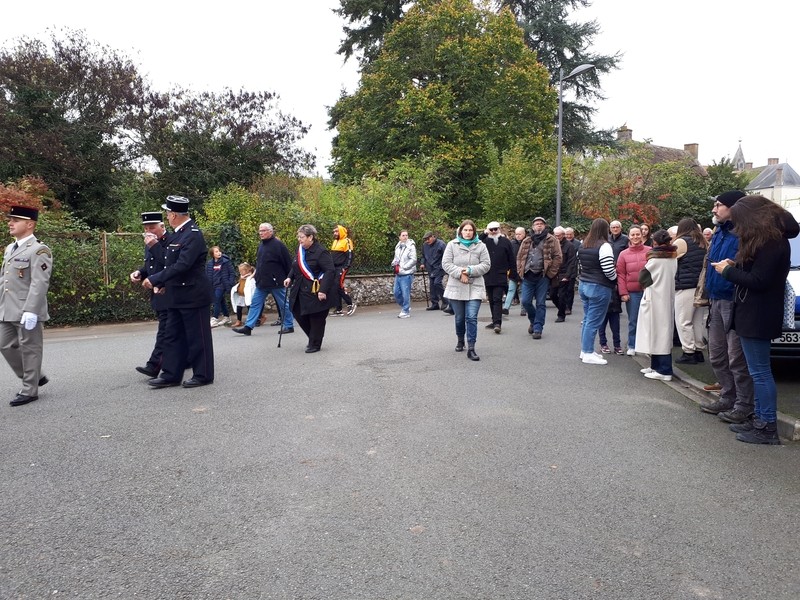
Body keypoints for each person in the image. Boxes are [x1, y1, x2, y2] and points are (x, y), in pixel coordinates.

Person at [711, 195, 799, 444]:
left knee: (760, 372)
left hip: (759, 314)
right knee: (757, 371)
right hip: (753, 312)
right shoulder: (767, 240)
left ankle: (767, 427)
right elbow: (756, 272)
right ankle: (760, 419)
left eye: (740, 221)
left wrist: (728, 271)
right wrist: (735, 263)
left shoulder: (773, 242)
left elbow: (760, 281)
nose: (738, 227)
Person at [143, 196, 214, 388]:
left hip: (193, 294)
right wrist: (162, 281)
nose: (167, 216)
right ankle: (171, 374)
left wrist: (156, 279)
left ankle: (203, 374)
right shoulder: (177, 234)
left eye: (167, 213)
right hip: (175, 293)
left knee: (197, 337)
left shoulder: (193, 234)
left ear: (174, 215)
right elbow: (168, 260)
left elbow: (183, 265)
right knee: (173, 335)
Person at [699, 190, 754, 421]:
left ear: (734, 207)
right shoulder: (720, 232)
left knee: (736, 357)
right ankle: (727, 396)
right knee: (717, 354)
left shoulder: (744, 233)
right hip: (716, 299)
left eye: (719, 205)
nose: (714, 209)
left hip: (734, 300)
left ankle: (744, 404)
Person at [0, 205, 52, 406]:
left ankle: (30, 390)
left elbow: (39, 283)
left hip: (27, 309)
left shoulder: (39, 250)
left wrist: (31, 311)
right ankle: (35, 375)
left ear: (29, 224)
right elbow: (6, 280)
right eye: (10, 219)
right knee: (4, 344)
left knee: (30, 348)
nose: (10, 223)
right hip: (7, 308)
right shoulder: (10, 248)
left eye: (16, 220)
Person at [233, 223, 294, 336]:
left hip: (276, 282)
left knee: (283, 304)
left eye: (264, 230)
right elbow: (260, 263)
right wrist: (256, 276)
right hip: (262, 282)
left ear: (271, 231)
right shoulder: (261, 245)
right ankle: (248, 327)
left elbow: (288, 263)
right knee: (255, 304)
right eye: (260, 230)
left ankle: (289, 325)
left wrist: (289, 278)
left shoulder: (278, 245)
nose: (261, 233)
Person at [442, 220, 491, 361]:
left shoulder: (481, 246)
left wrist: (469, 270)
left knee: (471, 317)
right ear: (460, 231)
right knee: (459, 318)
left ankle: (471, 348)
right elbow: (446, 264)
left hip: (475, 286)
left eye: (470, 230)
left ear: (474, 232)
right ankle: (460, 339)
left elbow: (486, 265)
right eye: (465, 230)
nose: (468, 233)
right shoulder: (452, 245)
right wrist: (460, 273)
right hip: (456, 286)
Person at [284, 225, 336, 353]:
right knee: (297, 312)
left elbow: (330, 270)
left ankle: (315, 343)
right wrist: (289, 277)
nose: (299, 239)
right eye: (299, 237)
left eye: (301, 237)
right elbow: (295, 265)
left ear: (310, 237)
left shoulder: (321, 252)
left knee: (316, 317)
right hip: (300, 288)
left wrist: (323, 290)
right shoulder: (300, 249)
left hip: (316, 289)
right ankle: (313, 337)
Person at [130, 212, 170, 378]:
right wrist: (140, 272)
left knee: (165, 331)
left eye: (152, 227)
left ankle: (154, 365)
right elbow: (150, 266)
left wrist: (161, 283)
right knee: (172, 330)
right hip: (156, 293)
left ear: (162, 226)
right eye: (146, 228)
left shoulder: (171, 242)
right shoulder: (150, 242)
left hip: (167, 291)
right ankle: (187, 358)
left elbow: (172, 266)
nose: (149, 231)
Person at [636, 230, 678, 381]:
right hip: (666, 295)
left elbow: (643, 276)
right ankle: (656, 366)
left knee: (657, 331)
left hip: (654, 296)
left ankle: (664, 370)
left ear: (655, 242)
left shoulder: (655, 259)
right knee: (662, 331)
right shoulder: (673, 257)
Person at [577, 219, 617, 365]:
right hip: (599, 286)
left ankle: (585, 350)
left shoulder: (583, 245)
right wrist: (615, 279)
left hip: (584, 284)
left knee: (587, 319)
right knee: (593, 322)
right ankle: (588, 352)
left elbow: (580, 265)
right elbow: (608, 269)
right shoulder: (605, 246)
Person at [516, 217, 562, 339]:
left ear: (545, 226)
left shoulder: (552, 240)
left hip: (542, 276)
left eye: (541, 224)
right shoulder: (527, 240)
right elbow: (520, 257)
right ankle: (534, 320)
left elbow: (558, 257)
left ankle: (538, 328)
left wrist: (550, 273)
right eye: (536, 224)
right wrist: (520, 270)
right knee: (525, 301)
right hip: (528, 275)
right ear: (533, 227)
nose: (539, 226)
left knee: (541, 303)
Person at [672, 218, 708, 364]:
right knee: (697, 320)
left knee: (683, 320)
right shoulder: (703, 242)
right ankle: (699, 350)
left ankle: (688, 351)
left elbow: (670, 259)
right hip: (700, 286)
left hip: (685, 286)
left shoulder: (681, 242)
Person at [616, 225, 650, 356]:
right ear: (628, 236)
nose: (635, 237)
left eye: (638, 234)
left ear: (642, 235)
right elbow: (621, 274)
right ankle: (632, 344)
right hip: (632, 293)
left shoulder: (650, 251)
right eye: (633, 235)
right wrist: (623, 292)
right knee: (633, 320)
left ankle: (647, 347)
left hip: (648, 292)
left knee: (648, 320)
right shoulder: (623, 254)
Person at [480, 221, 516, 333]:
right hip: (488, 275)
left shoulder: (506, 242)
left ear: (499, 229)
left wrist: (514, 275)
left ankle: (497, 323)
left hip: (501, 275)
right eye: (491, 229)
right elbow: (474, 242)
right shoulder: (484, 241)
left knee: (497, 299)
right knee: (491, 299)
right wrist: (484, 233)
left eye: (496, 229)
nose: (494, 231)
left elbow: (511, 258)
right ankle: (494, 320)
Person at [598, 220, 628, 354]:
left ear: (620, 228)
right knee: (602, 317)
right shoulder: (605, 240)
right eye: (613, 227)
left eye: (617, 227)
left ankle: (617, 345)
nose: (615, 229)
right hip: (604, 277)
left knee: (615, 316)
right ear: (609, 229)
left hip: (618, 277)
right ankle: (603, 343)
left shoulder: (625, 240)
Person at [551, 226, 577, 323]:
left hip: (564, 273)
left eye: (559, 235)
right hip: (553, 273)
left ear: (563, 235)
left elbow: (572, 262)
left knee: (562, 295)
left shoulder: (569, 246)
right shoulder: (552, 244)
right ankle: (562, 307)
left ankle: (561, 315)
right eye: (555, 235)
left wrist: (567, 275)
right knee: (553, 294)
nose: (557, 237)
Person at [330, 225, 356, 316]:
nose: (335, 233)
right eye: (334, 232)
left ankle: (350, 304)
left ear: (341, 231)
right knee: (335, 287)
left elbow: (350, 255)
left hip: (341, 267)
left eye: (336, 231)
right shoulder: (335, 242)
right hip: (334, 268)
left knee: (338, 285)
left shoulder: (347, 241)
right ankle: (338, 309)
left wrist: (346, 267)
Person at [206, 246, 236, 327]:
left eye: (219, 251)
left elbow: (232, 273)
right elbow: (207, 275)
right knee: (221, 301)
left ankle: (214, 318)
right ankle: (227, 317)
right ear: (212, 254)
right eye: (216, 251)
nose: (219, 253)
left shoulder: (226, 262)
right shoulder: (209, 264)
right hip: (213, 285)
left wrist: (229, 283)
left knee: (216, 300)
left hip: (222, 285)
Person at [391, 230, 417, 318]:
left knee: (405, 293)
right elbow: (396, 258)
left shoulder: (411, 247)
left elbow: (413, 259)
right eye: (403, 235)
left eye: (406, 235)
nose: (405, 237)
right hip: (398, 273)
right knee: (396, 292)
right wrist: (394, 263)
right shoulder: (398, 246)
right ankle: (405, 307)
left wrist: (404, 267)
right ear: (399, 237)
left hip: (407, 274)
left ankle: (405, 311)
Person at [421, 231, 448, 312]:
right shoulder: (425, 246)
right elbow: (423, 256)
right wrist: (422, 263)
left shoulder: (441, 244)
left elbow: (446, 256)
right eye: (425, 239)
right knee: (432, 286)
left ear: (433, 237)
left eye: (428, 238)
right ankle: (434, 303)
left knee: (437, 283)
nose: (427, 241)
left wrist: (442, 266)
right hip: (430, 268)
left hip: (439, 268)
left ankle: (445, 301)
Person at [502, 227, 526, 315]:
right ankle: (506, 308)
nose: (518, 236)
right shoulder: (511, 244)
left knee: (524, 291)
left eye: (520, 234)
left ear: (524, 234)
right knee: (511, 290)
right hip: (514, 270)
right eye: (516, 234)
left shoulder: (528, 243)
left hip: (525, 271)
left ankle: (523, 309)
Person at [230, 262, 255, 328]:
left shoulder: (251, 277)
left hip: (247, 295)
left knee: (250, 307)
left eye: (241, 271)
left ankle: (255, 319)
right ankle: (239, 321)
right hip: (241, 295)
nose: (240, 272)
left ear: (247, 270)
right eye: (239, 271)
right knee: (239, 307)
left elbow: (251, 287)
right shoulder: (242, 277)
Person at [563, 227, 581, 314]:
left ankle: (568, 307)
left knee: (570, 289)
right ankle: (562, 305)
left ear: (573, 234)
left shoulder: (578, 244)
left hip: (573, 269)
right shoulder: (560, 242)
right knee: (562, 289)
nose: (568, 236)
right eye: (567, 234)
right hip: (562, 269)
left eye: (570, 234)